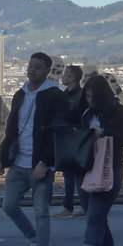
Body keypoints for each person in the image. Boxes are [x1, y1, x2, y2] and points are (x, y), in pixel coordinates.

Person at [0, 52, 67, 246]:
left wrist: (46, 162)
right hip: (18, 163)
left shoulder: (55, 96)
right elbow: (10, 129)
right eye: (30, 65)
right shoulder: (20, 94)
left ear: (47, 71)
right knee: (8, 206)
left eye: (37, 67)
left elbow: (58, 132)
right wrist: (2, 157)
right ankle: (34, 239)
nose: (32, 69)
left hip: (40, 165)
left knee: (41, 212)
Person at [68, 75, 123, 246]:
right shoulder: (83, 111)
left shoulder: (118, 111)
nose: (89, 100)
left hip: (109, 167)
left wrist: (103, 132)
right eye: (87, 97)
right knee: (95, 214)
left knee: (95, 215)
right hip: (85, 166)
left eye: (93, 97)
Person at [53, 65, 88, 219]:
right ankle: (74, 206)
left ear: (73, 77)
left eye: (66, 74)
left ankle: (75, 206)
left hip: (76, 137)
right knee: (70, 173)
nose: (62, 76)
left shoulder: (80, 96)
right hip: (66, 136)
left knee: (77, 173)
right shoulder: (65, 95)